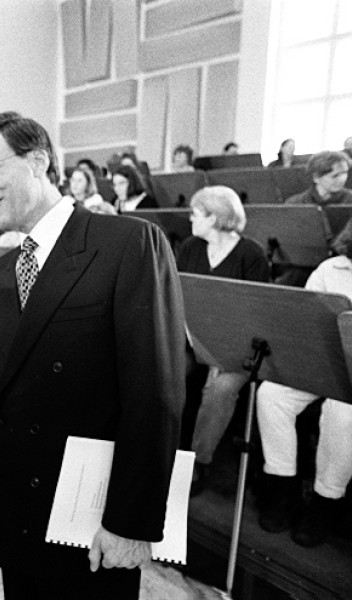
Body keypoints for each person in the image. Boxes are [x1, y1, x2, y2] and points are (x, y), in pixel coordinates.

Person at [0, 111, 186, 599]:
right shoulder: (1, 272)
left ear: (38, 160)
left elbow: (156, 393)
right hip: (22, 503)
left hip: (92, 511)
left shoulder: (126, 243)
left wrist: (131, 522)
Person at [256, 217, 352, 547]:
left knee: (343, 414)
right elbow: (305, 316)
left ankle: (326, 501)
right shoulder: (332, 268)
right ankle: (285, 488)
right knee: (271, 394)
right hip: (325, 361)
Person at [176, 186, 269, 494]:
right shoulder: (190, 247)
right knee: (163, 367)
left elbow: (259, 312)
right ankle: (163, 449)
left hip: (236, 344)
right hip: (193, 338)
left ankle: (198, 461)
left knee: (220, 388)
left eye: (195, 213)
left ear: (214, 218)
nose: (190, 218)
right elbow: (177, 293)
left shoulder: (251, 254)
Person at [284, 150, 352, 207]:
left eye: (344, 173)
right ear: (316, 177)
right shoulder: (295, 203)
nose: (342, 179)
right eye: (335, 176)